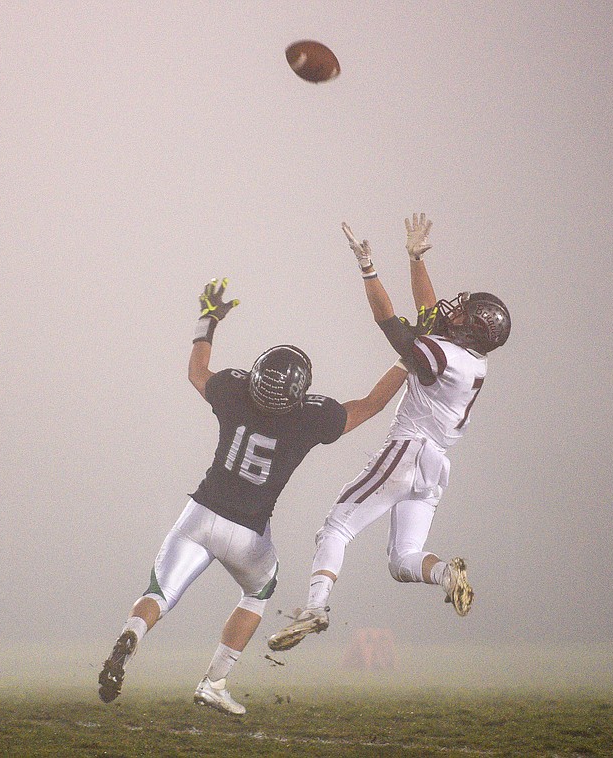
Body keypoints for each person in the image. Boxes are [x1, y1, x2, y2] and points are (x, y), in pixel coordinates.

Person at [98, 277, 407, 715]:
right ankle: (214, 681)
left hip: (199, 513)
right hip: (247, 534)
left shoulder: (234, 392)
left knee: (159, 592)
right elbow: (372, 404)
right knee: (259, 592)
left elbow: (196, 372)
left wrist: (208, 320)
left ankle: (132, 635)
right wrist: (405, 360)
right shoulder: (310, 418)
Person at [267, 213, 512, 653]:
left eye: (465, 313)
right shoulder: (474, 360)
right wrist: (415, 259)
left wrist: (369, 269)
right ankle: (446, 574)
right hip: (435, 467)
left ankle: (314, 608)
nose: (455, 311)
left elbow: (389, 320)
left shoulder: (442, 355)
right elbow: (432, 313)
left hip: (409, 451)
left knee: (336, 528)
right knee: (403, 562)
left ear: (472, 329)